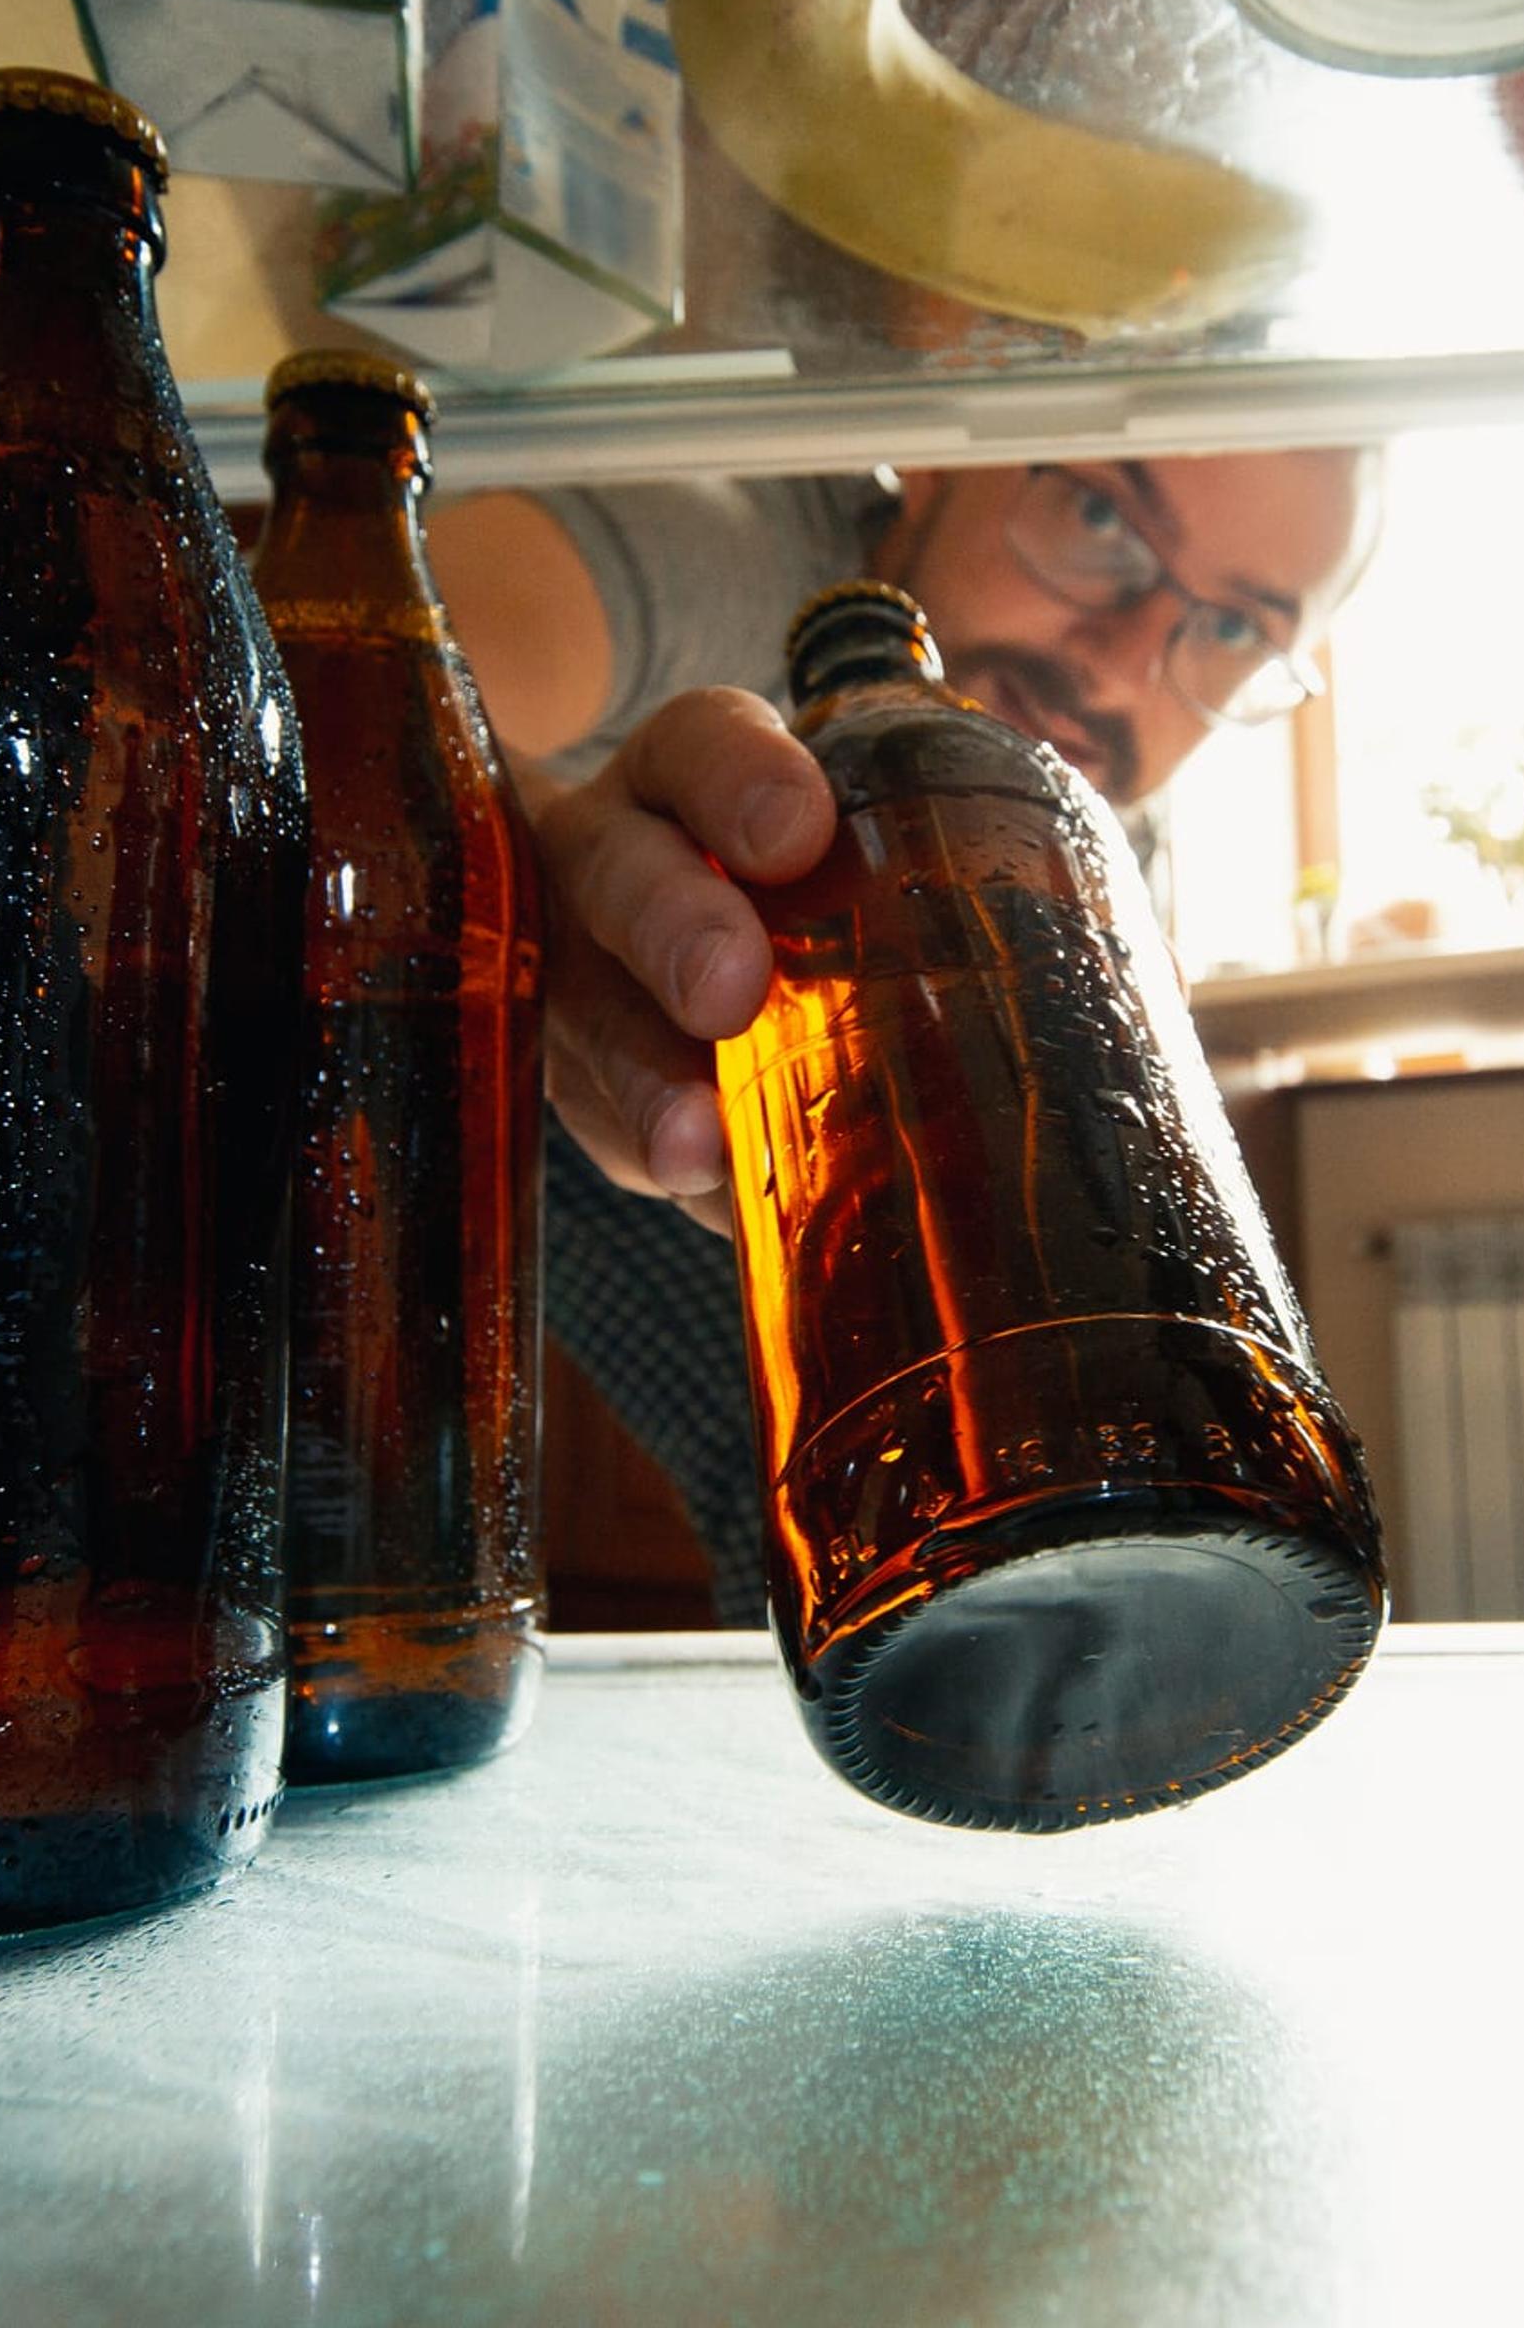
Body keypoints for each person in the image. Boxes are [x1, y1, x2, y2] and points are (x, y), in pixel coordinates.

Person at [429, 453, 1381, 1617]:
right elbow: (352, 696)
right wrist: (547, 872)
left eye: (1233, 628)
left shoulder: (1068, 790)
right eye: (1100, 515)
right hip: (503, 1092)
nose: (1125, 666)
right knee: (833, 1424)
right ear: (934, 463)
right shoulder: (736, 540)